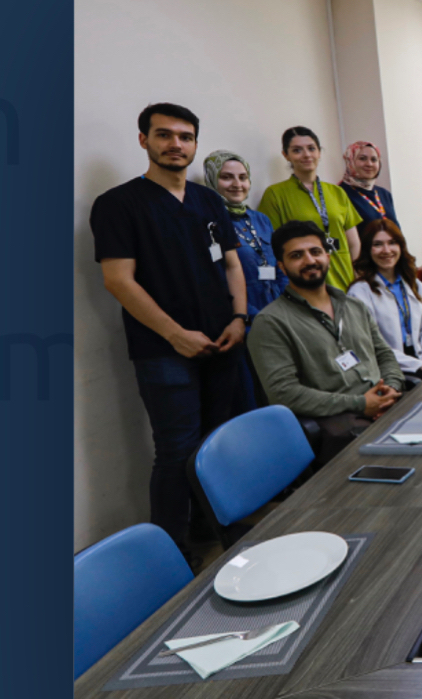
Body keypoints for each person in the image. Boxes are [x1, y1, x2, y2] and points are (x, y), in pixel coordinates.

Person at [91, 103, 249, 560]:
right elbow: (118, 280)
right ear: (144, 140)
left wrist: (239, 319)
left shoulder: (207, 200)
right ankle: (172, 554)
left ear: (196, 145)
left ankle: (216, 529)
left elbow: (233, 264)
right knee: (176, 450)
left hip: (224, 341)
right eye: (164, 135)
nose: (175, 144)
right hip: (162, 351)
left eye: (184, 136)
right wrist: (175, 334)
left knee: (218, 440)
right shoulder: (118, 204)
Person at [249, 220, 404, 466]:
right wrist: (361, 404)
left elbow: (384, 354)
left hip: (387, 406)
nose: (310, 261)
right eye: (297, 255)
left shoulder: (354, 305)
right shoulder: (270, 322)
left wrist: (391, 389)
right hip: (341, 424)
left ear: (328, 256)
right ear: (282, 266)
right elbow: (284, 394)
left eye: (316, 252)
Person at [257, 126, 363, 291]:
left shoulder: (337, 192)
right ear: (286, 155)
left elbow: (354, 243)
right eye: (297, 150)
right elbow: (272, 247)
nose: (306, 155)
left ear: (319, 152)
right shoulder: (275, 194)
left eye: (311, 148)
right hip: (305, 285)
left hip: (345, 281)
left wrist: (359, 282)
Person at [348, 219, 422, 389]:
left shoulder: (415, 285)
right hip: (388, 371)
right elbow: (369, 345)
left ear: (401, 246)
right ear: (368, 250)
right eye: (377, 244)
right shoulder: (360, 292)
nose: (386, 250)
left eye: (392, 243)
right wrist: (416, 365)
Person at [203, 150, 287, 319]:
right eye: (226, 177)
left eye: (242, 177)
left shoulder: (261, 220)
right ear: (212, 179)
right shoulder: (209, 224)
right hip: (241, 318)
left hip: (280, 311)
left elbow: (280, 266)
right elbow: (217, 281)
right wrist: (256, 317)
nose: (237, 184)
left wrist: (287, 305)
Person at [339, 140, 401, 233]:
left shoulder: (384, 194)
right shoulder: (341, 194)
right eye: (362, 158)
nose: (369, 164)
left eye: (374, 159)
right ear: (350, 161)